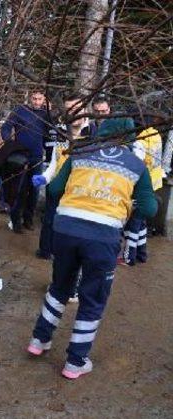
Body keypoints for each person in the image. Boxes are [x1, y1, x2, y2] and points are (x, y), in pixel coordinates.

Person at [27, 118, 157, 380]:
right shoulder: (135, 165)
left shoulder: (81, 151)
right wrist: (127, 210)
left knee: (60, 286)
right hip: (102, 237)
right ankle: (75, 362)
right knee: (93, 298)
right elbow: (150, 208)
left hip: (64, 230)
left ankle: (39, 341)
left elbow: (53, 189)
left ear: (103, 132)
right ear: (129, 138)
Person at [34, 95, 95, 260]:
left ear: (84, 111)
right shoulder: (61, 132)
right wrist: (45, 177)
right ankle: (46, 251)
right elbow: (55, 162)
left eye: (76, 109)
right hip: (57, 187)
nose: (72, 113)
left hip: (80, 191)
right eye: (68, 109)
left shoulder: (93, 134)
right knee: (50, 221)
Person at [0, 89, 50, 233]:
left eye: (39, 99)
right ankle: (16, 222)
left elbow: (50, 134)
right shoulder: (20, 110)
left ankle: (28, 219)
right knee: (19, 189)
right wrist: (9, 144)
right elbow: (6, 127)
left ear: (44, 99)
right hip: (20, 158)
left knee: (34, 191)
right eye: (34, 98)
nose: (36, 102)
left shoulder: (46, 115)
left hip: (37, 158)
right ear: (29, 98)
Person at [122, 116, 164, 265]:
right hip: (155, 181)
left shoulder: (141, 141)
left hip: (142, 185)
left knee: (133, 221)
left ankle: (129, 257)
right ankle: (142, 253)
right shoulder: (155, 134)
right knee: (141, 222)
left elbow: (136, 164)